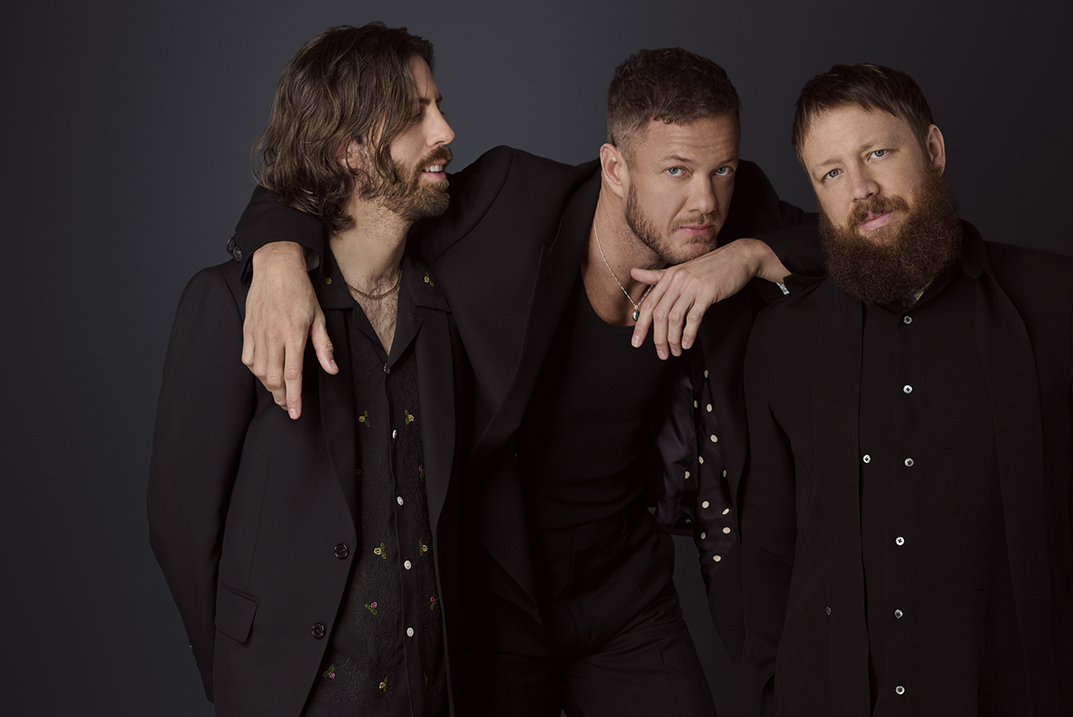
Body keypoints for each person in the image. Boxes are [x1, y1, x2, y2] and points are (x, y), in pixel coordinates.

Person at [231, 47, 819, 716]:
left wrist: (750, 256)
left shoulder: (730, 220)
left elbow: (855, 239)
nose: (704, 201)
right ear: (615, 167)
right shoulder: (509, 200)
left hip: (629, 600)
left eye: (722, 170)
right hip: (496, 606)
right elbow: (349, 184)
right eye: (676, 171)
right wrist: (278, 254)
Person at [741, 62, 1073, 717]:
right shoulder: (782, 339)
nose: (861, 188)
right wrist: (773, 689)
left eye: (876, 153)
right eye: (831, 173)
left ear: (932, 148)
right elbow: (766, 541)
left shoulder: (1061, 301)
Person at [148, 23, 471, 716]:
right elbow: (180, 527)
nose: (446, 131)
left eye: (438, 107)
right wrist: (244, 677)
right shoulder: (231, 303)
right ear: (348, 149)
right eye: (416, 114)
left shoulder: (446, 300)